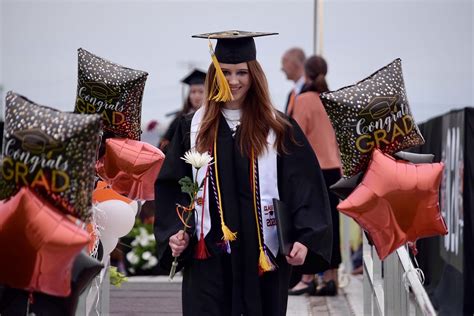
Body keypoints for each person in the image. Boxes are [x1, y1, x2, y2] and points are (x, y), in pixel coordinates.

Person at [154, 30, 333, 316]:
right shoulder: (191, 129)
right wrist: (176, 232)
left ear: (255, 75)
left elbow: (304, 187)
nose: (233, 81)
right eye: (225, 72)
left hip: (262, 254)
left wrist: (304, 238)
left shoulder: (278, 128)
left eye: (241, 72)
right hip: (209, 256)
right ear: (215, 75)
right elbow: (173, 186)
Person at [289, 55, 342, 296]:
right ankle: (332, 278)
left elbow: (295, 136)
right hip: (334, 169)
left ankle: (308, 277)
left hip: (313, 170)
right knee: (332, 224)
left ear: (306, 73)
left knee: (310, 224)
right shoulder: (332, 99)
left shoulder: (304, 100)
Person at [158, 69, 206, 152]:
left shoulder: (212, 116)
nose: (196, 96)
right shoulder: (180, 118)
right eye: (193, 92)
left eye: (201, 92)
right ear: (189, 95)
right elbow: (164, 144)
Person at [281, 47, 306, 116]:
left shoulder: (311, 90)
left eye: (284, 62)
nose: (282, 68)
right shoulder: (292, 94)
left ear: (296, 63)